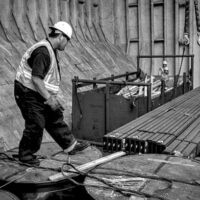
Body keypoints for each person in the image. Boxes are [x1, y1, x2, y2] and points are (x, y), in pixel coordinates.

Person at [14, 21, 89, 166]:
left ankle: (70, 146)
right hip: (27, 93)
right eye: (67, 40)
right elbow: (36, 79)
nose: (67, 44)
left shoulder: (50, 50)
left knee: (54, 115)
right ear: (61, 36)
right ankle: (26, 156)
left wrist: (51, 99)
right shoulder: (43, 52)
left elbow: (44, 79)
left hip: (37, 91)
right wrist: (49, 99)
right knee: (36, 123)